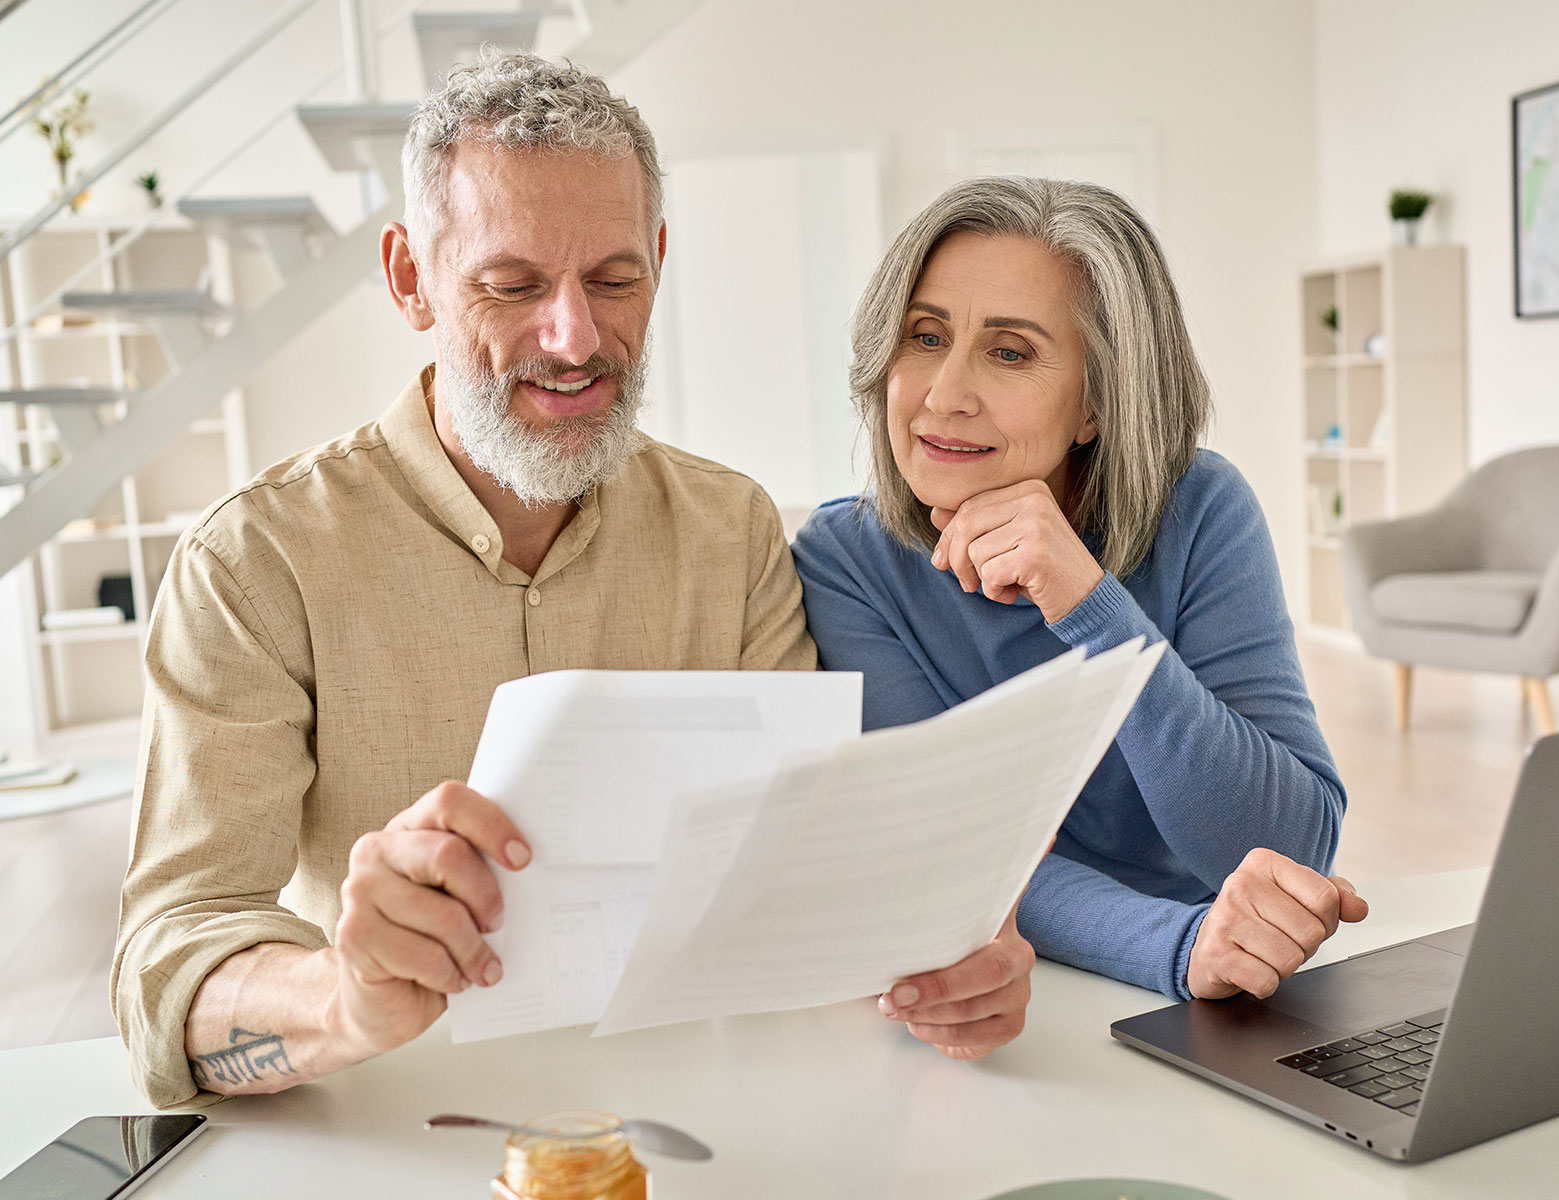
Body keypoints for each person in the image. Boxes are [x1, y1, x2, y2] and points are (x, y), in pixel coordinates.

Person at [112, 54, 1023, 1111]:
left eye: (615, 279)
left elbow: (806, 869)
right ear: (409, 279)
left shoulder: (730, 533)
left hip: (706, 1121)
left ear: (661, 262)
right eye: (511, 286)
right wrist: (341, 998)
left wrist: (942, 951)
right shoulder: (254, 564)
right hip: (395, 1130)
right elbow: (169, 960)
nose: (576, 338)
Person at [793, 177, 1368, 1030]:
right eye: (924, 337)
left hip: (1228, 994)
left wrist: (1093, 606)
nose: (943, 393)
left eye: (1010, 352)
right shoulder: (845, 559)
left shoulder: (1201, 508)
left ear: (1097, 402)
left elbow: (1292, 844)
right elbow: (958, 851)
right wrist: (1179, 945)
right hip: (1014, 992)